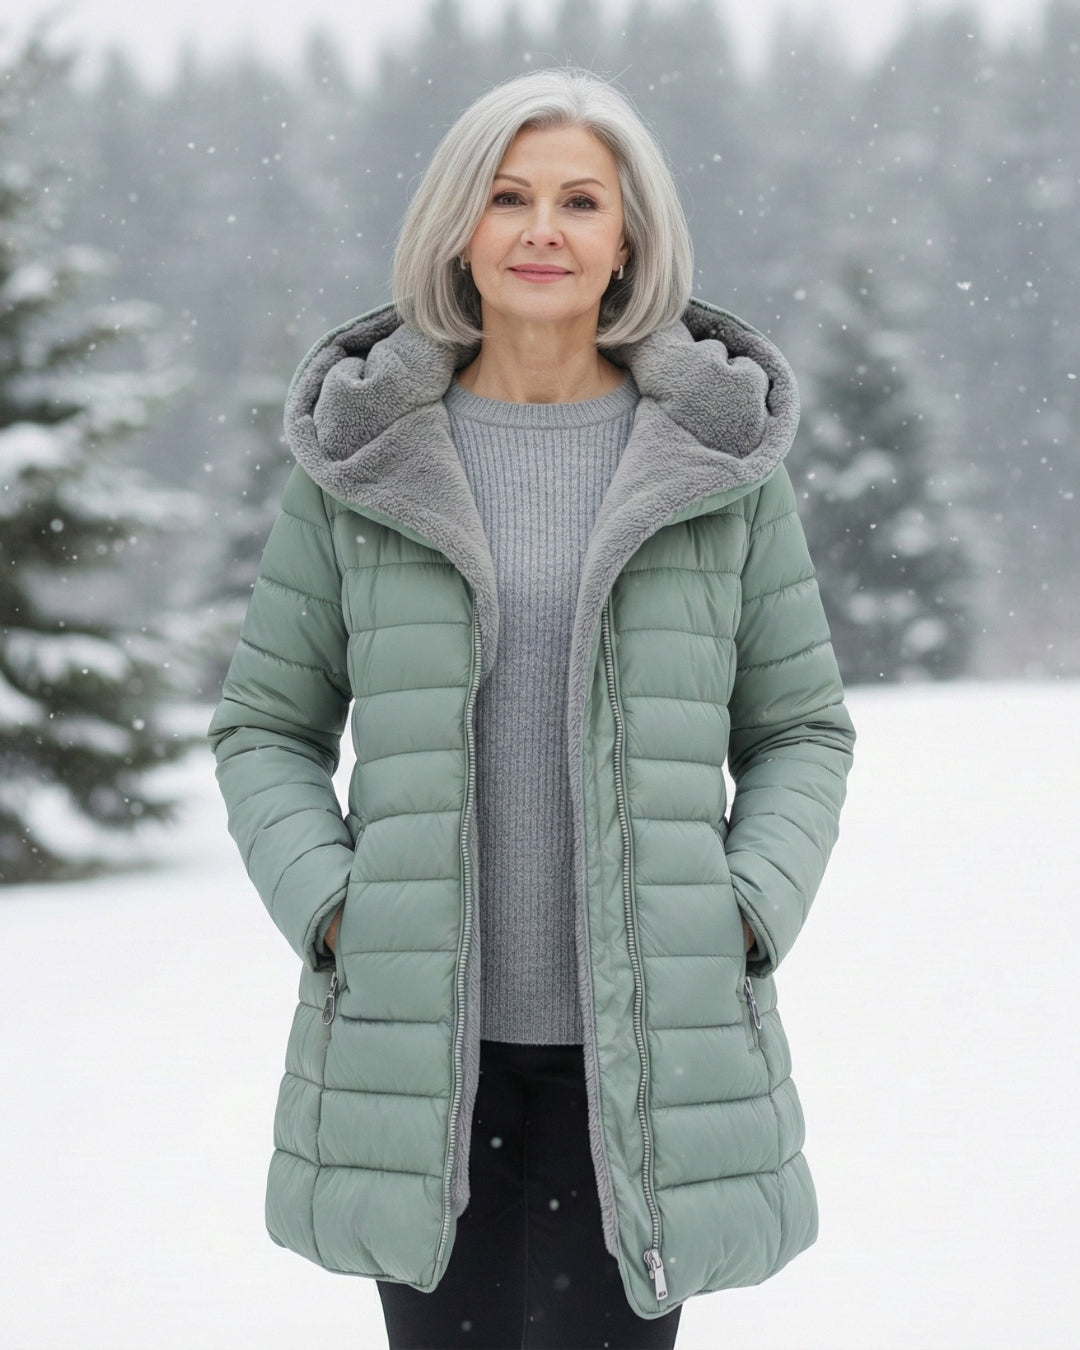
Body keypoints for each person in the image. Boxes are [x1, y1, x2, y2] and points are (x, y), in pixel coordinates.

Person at [207, 67, 855, 1350]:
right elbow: (264, 727)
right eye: (509, 198)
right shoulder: (365, 461)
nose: (542, 230)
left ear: (630, 238)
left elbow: (800, 730)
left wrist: (743, 911)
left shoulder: (715, 466)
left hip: (644, 1060)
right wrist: (334, 906)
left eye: (578, 201)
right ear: (461, 225)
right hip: (425, 1062)